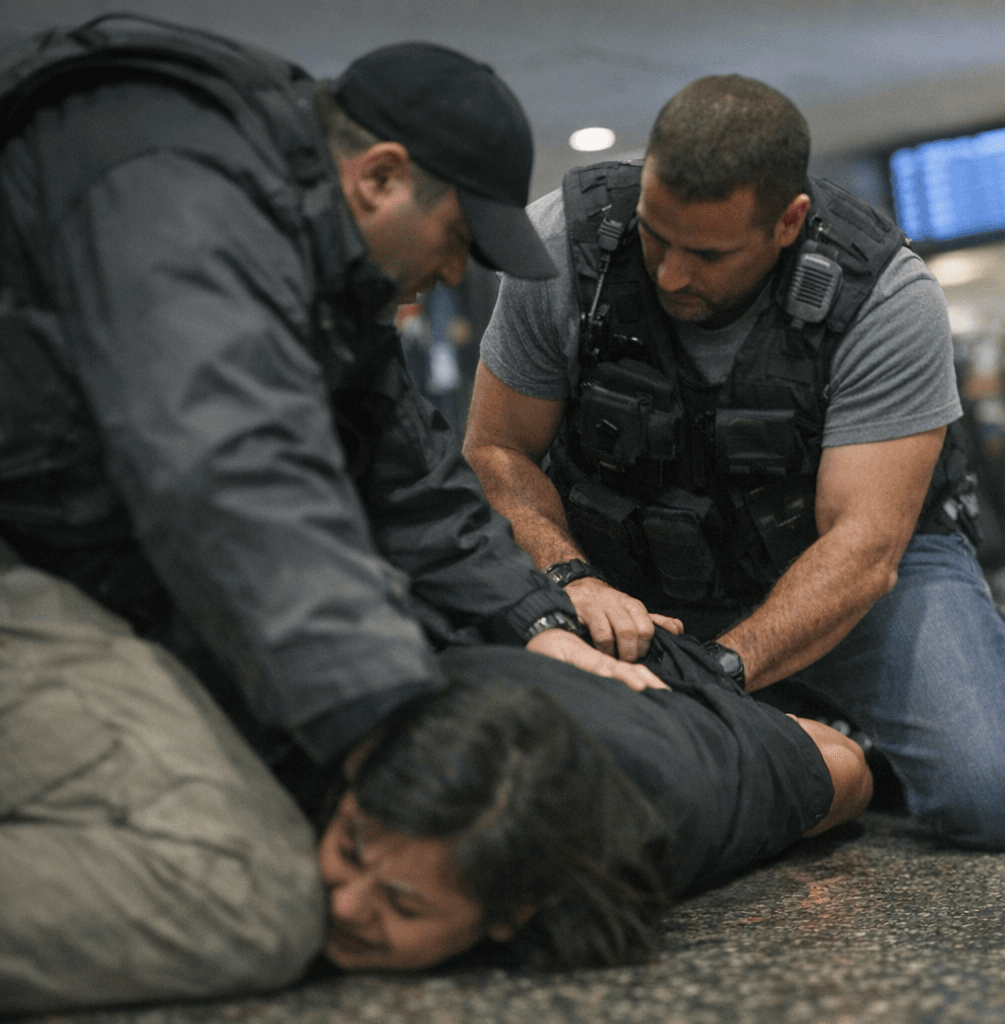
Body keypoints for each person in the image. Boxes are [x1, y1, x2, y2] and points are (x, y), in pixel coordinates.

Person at [0, 15, 659, 1012]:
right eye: (454, 242)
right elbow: (228, 461)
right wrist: (389, 734)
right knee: (254, 892)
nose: (451, 278)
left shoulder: (308, 246)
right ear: (382, 176)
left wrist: (534, 617)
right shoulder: (171, 176)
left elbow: (405, 469)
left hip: (62, 559)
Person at [465, 74, 1005, 852]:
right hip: (635, 564)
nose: (671, 274)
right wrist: (570, 575)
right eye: (656, 236)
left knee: (1002, 802)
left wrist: (722, 673)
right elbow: (498, 448)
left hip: (850, 564)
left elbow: (865, 545)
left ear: (789, 223)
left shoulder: (884, 295)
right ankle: (815, 700)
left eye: (706, 253)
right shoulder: (567, 247)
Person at [316, 637, 870, 972]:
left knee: (847, 763)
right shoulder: (341, 729)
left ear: (516, 913)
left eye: (403, 904)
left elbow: (845, 767)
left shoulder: (663, 814)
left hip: (650, 701)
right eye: (348, 846)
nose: (343, 905)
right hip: (491, 650)